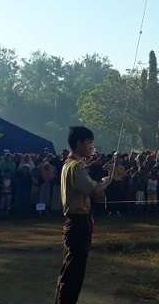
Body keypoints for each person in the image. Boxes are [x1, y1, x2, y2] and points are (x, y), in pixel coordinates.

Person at [54, 126, 115, 304]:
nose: (91, 147)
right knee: (74, 273)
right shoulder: (76, 166)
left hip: (75, 222)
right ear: (79, 143)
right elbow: (94, 190)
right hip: (79, 223)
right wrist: (108, 180)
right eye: (89, 143)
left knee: (70, 269)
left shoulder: (68, 164)